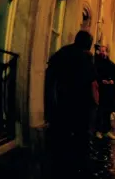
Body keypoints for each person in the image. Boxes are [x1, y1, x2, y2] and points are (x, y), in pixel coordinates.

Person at [45, 31, 98, 176]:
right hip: (81, 101)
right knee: (81, 133)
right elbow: (92, 81)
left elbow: (51, 71)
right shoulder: (86, 57)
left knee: (63, 132)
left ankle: (60, 163)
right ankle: (79, 166)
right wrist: (95, 101)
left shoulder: (63, 52)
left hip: (63, 97)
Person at [94, 45, 115, 139]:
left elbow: (114, 76)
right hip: (100, 90)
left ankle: (106, 130)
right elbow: (95, 74)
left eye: (105, 51)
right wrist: (101, 80)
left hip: (108, 91)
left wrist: (112, 80)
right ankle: (98, 130)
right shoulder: (96, 63)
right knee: (100, 110)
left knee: (107, 111)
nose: (103, 52)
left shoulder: (111, 64)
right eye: (101, 51)